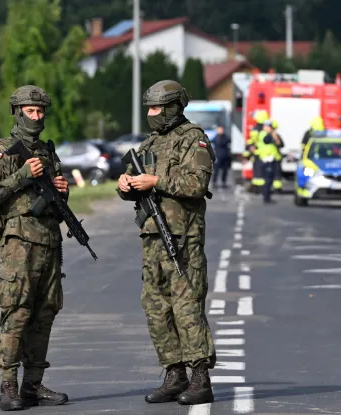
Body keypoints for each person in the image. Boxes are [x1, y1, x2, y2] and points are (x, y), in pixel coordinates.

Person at [117, 80, 216, 406]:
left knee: (187, 307)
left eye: (157, 108)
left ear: (174, 107)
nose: (151, 114)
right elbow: (133, 186)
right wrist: (126, 185)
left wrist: (157, 181)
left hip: (183, 237)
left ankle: (200, 378)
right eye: (149, 108)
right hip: (152, 237)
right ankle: (174, 374)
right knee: (156, 307)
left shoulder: (194, 140)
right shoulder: (149, 144)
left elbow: (197, 185)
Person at [0, 85, 69, 411]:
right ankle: (8, 387)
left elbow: (56, 204)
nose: (37, 116)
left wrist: (62, 189)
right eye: (31, 111)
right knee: (17, 313)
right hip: (19, 244)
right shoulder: (2, 151)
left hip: (48, 242)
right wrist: (20, 175)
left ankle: (33, 384)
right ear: (17, 112)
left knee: (45, 314)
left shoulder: (47, 151)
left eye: (41, 111)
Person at [259, 120, 279, 204]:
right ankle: (266, 198)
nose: (271, 129)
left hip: (269, 159)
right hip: (267, 159)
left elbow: (279, 143)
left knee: (269, 179)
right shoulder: (265, 134)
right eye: (269, 127)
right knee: (268, 180)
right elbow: (274, 141)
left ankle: (267, 197)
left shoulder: (266, 134)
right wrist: (273, 134)